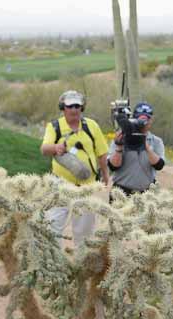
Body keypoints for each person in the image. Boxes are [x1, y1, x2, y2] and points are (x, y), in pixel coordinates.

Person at [40, 90, 109, 246]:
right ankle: (55, 261)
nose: (74, 110)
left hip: (87, 187)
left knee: (84, 232)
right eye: (70, 106)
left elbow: (102, 154)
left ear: (82, 107)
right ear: (63, 108)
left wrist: (105, 177)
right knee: (52, 224)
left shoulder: (92, 126)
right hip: (60, 185)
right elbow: (44, 149)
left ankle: (81, 263)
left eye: (77, 106)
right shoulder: (54, 127)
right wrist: (56, 148)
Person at [107, 101, 165, 196]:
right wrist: (119, 147)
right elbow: (113, 166)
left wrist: (145, 144)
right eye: (139, 118)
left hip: (147, 193)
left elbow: (159, 165)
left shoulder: (156, 141)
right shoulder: (122, 137)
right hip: (121, 192)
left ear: (151, 120)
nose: (143, 123)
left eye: (147, 118)